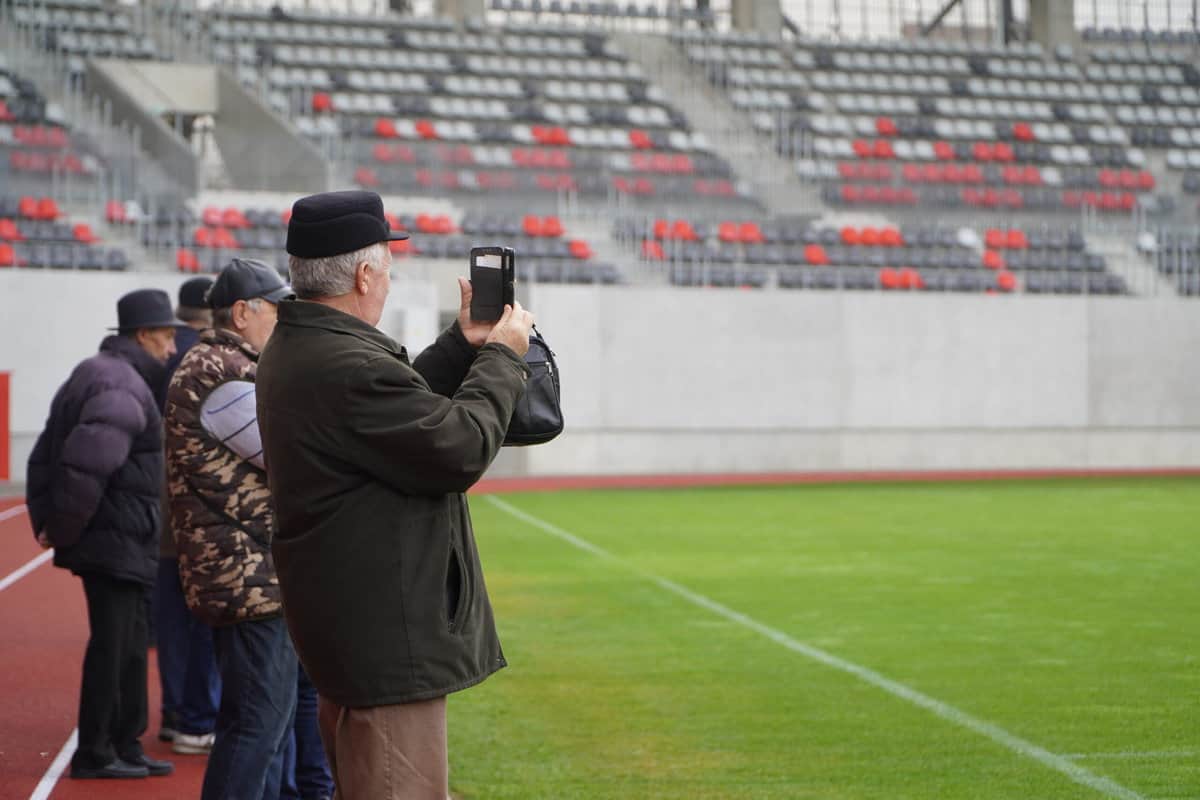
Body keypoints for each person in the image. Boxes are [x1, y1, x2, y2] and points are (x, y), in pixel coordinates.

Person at [257, 190, 534, 800]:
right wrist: (502, 359)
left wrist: (462, 345)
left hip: (352, 629)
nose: (387, 281)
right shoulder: (346, 364)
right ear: (362, 275)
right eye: (387, 268)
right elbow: (457, 446)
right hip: (382, 642)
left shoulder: (305, 345)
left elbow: (390, 414)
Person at [26, 289, 179, 780]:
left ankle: (123, 743)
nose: (172, 349)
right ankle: (95, 752)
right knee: (114, 647)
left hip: (121, 538)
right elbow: (85, 468)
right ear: (142, 335)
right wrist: (61, 530)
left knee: (129, 645)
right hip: (111, 540)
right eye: (165, 337)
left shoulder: (112, 375)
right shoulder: (120, 386)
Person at [164, 259, 299, 800]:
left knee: (264, 725)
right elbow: (289, 456)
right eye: (277, 309)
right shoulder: (220, 370)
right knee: (255, 727)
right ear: (243, 312)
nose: (284, 322)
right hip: (245, 576)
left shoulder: (225, 362)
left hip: (252, 572)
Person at [154, 276, 222, 753]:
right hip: (195, 515)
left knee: (171, 623)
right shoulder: (204, 361)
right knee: (204, 625)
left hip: (157, 514)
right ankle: (198, 719)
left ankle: (174, 714)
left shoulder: (153, 356)